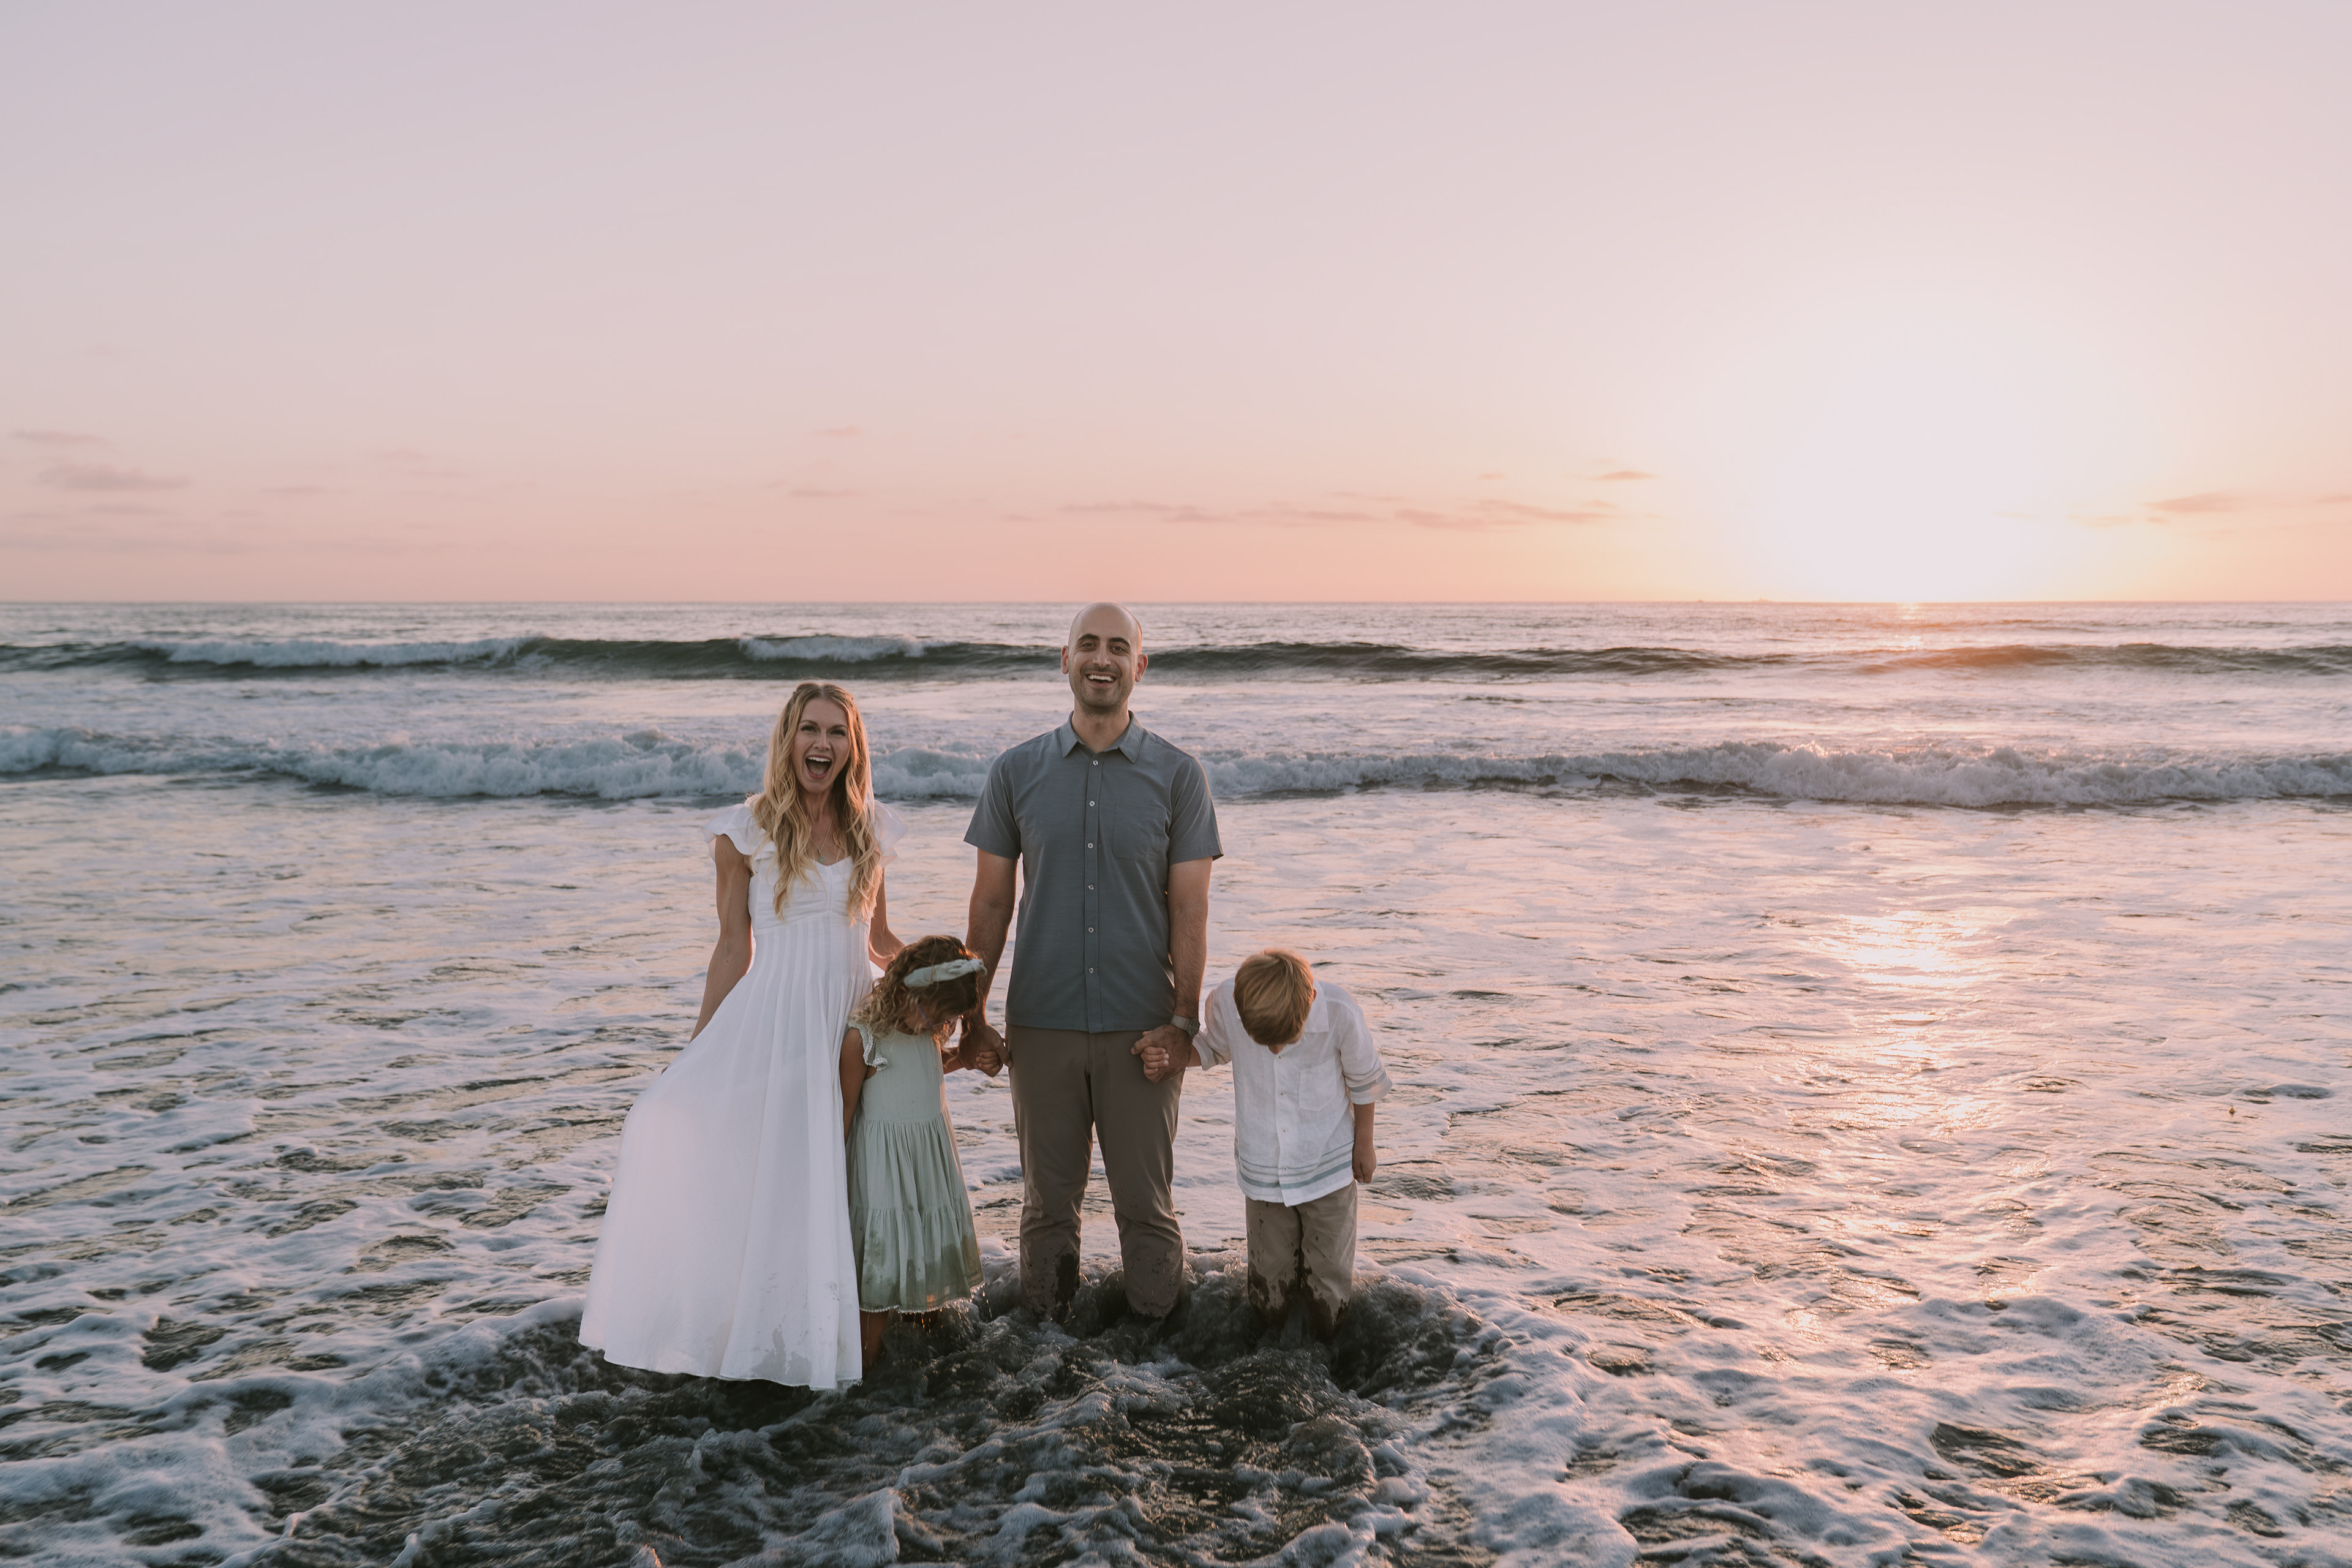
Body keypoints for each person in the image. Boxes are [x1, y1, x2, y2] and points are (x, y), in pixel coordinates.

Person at [580, 680, 904, 1388]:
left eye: (838, 732)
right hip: (780, 1021)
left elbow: (879, 940)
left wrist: (942, 976)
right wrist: (698, 1050)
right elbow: (733, 946)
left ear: (854, 747)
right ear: (788, 738)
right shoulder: (745, 830)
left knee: (852, 1182)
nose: (823, 744)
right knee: (784, 1177)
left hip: (854, 1024)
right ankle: (764, 1342)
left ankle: (840, 1338)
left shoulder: (869, 828)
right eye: (810, 729)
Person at [958, 603, 1221, 1322]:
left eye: (1117, 647)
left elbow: (1190, 910)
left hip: (1143, 1030)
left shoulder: (1179, 776)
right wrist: (972, 1017)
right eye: (1087, 645)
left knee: (1146, 1207)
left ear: (1140, 665)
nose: (1101, 659)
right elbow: (990, 906)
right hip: (1041, 1022)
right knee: (1047, 1210)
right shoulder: (1015, 771)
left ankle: (1159, 1361)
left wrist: (1183, 1024)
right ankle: (1043, 1360)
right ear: (1065, 660)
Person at [1152, 948, 1389, 1339]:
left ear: (1310, 1001)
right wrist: (1171, 1057)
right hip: (1263, 1171)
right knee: (1268, 1281)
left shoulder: (1339, 1012)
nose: (1275, 1050)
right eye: (1263, 1041)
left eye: (1284, 1040)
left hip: (1327, 1168)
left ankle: (1327, 1346)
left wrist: (1365, 1144)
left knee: (1328, 1280)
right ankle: (1271, 1345)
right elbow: (1213, 1048)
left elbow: (1364, 1080)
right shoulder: (1228, 1002)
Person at [839, 936, 990, 1368]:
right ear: (907, 991)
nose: (936, 1026)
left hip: (928, 1170)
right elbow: (844, 1114)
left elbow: (927, 1067)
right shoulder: (864, 1039)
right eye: (933, 1015)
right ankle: (866, 1372)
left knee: (926, 1273)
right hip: (885, 1180)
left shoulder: (928, 1031)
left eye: (947, 1020)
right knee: (881, 1282)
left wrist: (966, 1058)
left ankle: (923, 1367)